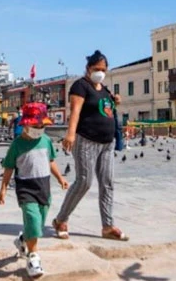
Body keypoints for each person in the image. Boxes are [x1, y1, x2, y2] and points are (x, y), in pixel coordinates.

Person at [52, 50, 129, 242]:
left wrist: (115, 100)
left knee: (107, 183)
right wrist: (70, 134)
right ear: (88, 68)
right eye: (97, 69)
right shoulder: (81, 86)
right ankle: (61, 220)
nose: (100, 72)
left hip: (107, 143)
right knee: (84, 181)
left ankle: (108, 226)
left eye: (103, 69)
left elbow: (106, 110)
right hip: (86, 140)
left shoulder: (104, 89)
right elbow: (76, 111)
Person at [0, 102, 68, 279]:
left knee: (38, 224)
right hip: (25, 188)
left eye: (42, 125)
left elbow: (51, 161)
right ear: (26, 124)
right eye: (36, 125)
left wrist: (60, 178)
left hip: (43, 186)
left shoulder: (45, 141)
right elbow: (8, 167)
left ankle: (23, 240)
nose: (39, 128)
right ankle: (33, 259)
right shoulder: (17, 145)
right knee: (32, 218)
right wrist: (3, 188)